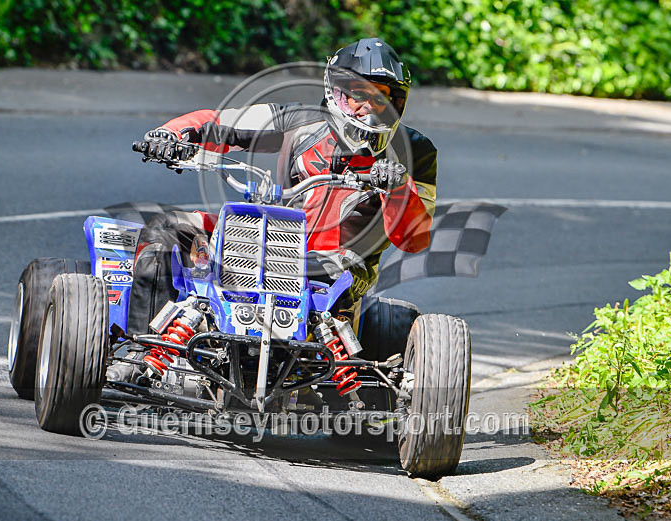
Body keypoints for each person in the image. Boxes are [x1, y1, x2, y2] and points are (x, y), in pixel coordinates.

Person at [127, 37, 438, 334]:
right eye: (359, 94)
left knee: (324, 272)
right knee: (166, 228)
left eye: (380, 98)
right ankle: (143, 349)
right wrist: (170, 135)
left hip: (341, 267)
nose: (368, 107)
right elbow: (220, 123)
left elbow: (416, 239)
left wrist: (397, 186)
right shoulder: (300, 120)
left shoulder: (415, 151)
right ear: (336, 91)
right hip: (272, 241)